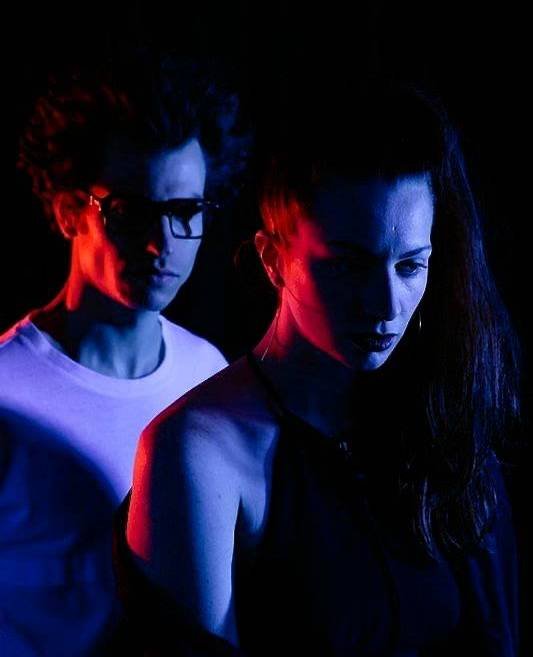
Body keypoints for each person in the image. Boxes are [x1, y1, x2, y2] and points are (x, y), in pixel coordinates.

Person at [116, 78, 522, 656]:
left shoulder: (439, 419)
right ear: (273, 259)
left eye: (411, 266)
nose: (385, 306)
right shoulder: (197, 450)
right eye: (348, 267)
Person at [0, 52, 249, 656]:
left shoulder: (211, 374)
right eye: (130, 211)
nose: (160, 244)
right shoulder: (6, 391)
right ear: (68, 211)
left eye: (184, 211)